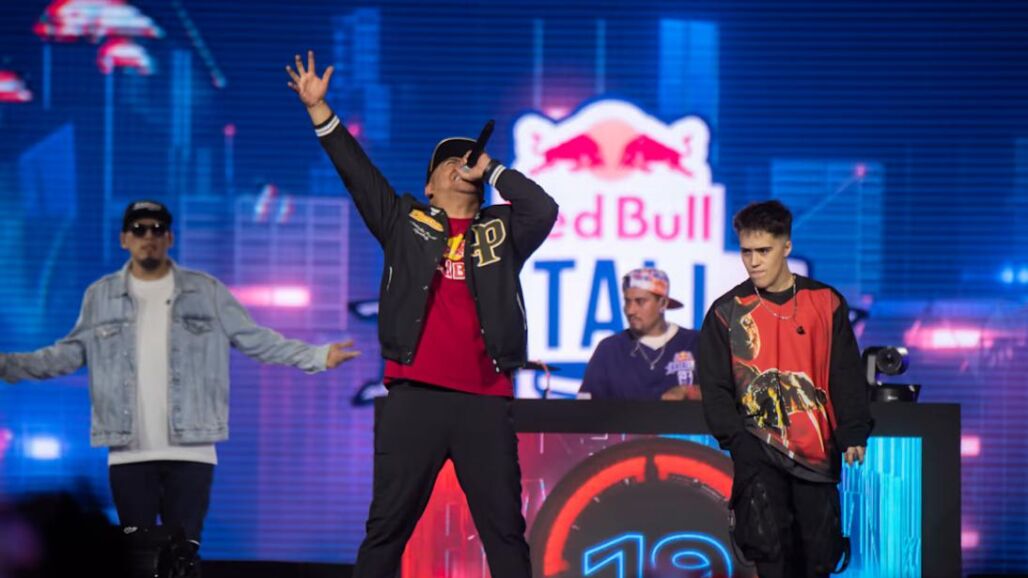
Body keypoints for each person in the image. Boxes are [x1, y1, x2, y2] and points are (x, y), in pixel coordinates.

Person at [286, 51, 558, 578]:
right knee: (387, 529)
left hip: (484, 401)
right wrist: (320, 110)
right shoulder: (404, 222)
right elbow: (358, 175)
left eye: (468, 160)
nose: (461, 165)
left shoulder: (502, 231)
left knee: (505, 533)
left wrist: (493, 168)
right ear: (429, 185)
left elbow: (543, 209)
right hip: (415, 398)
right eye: (448, 162)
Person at [0, 200, 359, 566]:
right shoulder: (102, 295)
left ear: (169, 238)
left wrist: (316, 356)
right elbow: (70, 353)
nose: (148, 237)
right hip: (130, 449)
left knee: (183, 554)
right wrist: (9, 365)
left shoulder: (205, 291)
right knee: (136, 553)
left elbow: (254, 339)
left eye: (157, 229)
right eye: (139, 229)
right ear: (125, 239)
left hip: (190, 448)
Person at [696, 200, 873, 577]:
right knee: (770, 559)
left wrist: (854, 430)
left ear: (787, 246)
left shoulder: (825, 302)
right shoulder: (727, 311)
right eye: (747, 251)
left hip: (816, 453)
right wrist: (738, 442)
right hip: (757, 453)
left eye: (764, 250)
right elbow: (715, 388)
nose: (754, 261)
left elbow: (845, 372)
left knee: (818, 561)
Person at [578, 267, 700, 401]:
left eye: (640, 301)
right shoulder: (610, 349)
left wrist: (689, 392)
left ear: (663, 303)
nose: (630, 310)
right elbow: (585, 405)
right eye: (627, 301)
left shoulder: (695, 343)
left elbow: (717, 393)